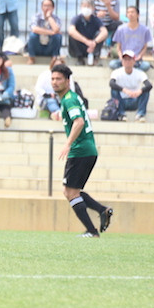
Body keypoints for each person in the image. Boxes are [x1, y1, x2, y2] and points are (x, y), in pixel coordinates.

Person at [51, 63, 113, 238]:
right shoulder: (70, 98)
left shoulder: (69, 99)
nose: (55, 82)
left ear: (68, 81)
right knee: (72, 191)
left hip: (80, 150)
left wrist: (68, 143)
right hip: (87, 150)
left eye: (59, 79)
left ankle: (92, 231)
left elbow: (78, 121)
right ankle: (102, 211)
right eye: (53, 79)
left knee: (69, 192)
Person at [110, 50, 152, 122]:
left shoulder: (139, 73)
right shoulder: (116, 72)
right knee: (113, 90)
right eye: (125, 59)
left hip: (135, 100)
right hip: (121, 100)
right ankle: (121, 114)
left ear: (134, 61)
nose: (127, 62)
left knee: (146, 91)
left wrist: (139, 91)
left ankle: (140, 114)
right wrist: (124, 90)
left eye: (129, 59)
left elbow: (149, 85)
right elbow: (111, 83)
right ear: (122, 61)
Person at [109, 6, 152, 71]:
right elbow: (118, 47)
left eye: (132, 12)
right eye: (128, 12)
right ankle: (130, 70)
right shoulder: (121, 29)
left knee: (146, 66)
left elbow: (145, 47)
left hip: (136, 59)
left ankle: (130, 71)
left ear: (138, 15)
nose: (130, 14)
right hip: (124, 58)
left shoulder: (145, 29)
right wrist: (121, 58)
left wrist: (139, 56)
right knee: (112, 64)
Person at [68, 0, 108, 65]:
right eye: (84, 6)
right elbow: (71, 31)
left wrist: (94, 42)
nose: (86, 8)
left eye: (88, 6)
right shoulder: (77, 19)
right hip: (80, 46)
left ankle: (95, 57)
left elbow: (104, 32)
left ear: (93, 8)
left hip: (92, 47)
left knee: (99, 34)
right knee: (73, 35)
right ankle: (79, 58)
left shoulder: (96, 20)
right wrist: (86, 41)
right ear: (81, 8)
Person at [27, 0, 62, 64]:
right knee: (32, 35)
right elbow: (34, 29)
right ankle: (31, 58)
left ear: (53, 7)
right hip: (38, 46)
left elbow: (56, 30)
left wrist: (49, 17)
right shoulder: (36, 16)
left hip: (49, 47)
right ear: (42, 7)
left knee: (58, 36)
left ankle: (55, 58)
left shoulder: (56, 18)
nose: (47, 8)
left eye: (49, 6)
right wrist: (51, 32)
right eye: (45, 6)